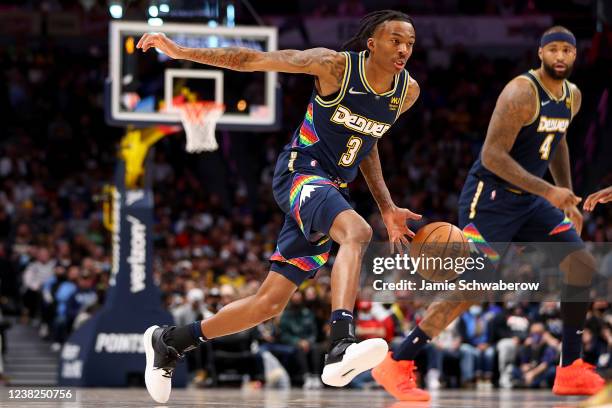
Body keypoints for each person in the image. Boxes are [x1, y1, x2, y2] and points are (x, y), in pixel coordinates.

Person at [137, 10, 422, 403]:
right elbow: (251, 60)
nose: (404, 49)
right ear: (372, 43)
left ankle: (170, 342)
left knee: (268, 304)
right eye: (395, 40)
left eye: (409, 42)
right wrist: (180, 50)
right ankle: (340, 344)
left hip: (331, 188)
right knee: (358, 231)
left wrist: (387, 206)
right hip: (300, 171)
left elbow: (368, 141)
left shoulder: (406, 92)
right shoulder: (334, 66)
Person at [373, 26, 605, 401]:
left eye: (568, 50)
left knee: (580, 263)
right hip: (491, 200)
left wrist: (567, 195)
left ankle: (570, 368)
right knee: (474, 288)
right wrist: (550, 190)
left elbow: (557, 141)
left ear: (576, 56)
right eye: (554, 50)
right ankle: (398, 360)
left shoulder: (572, 97)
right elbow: (491, 157)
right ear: (540, 53)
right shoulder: (521, 92)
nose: (561, 57)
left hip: (529, 200)